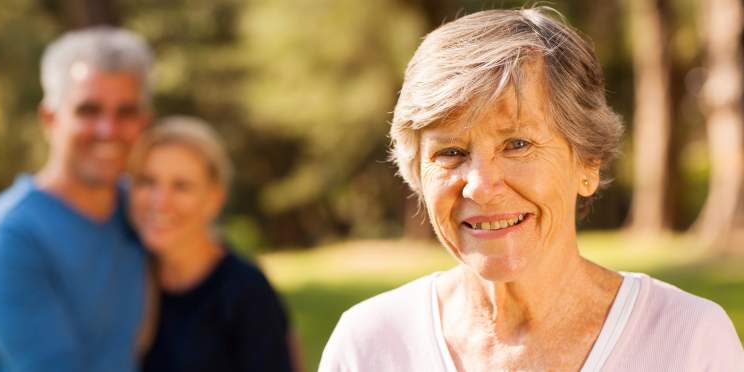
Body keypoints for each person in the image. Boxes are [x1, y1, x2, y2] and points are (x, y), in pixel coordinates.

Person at [319, 7, 744, 372]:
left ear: (588, 162)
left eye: (517, 144)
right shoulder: (368, 345)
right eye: (450, 152)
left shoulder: (687, 340)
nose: (482, 187)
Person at [0, 27, 154, 372]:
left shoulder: (145, 211)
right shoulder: (10, 236)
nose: (108, 130)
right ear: (50, 119)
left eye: (125, 112)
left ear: (143, 122)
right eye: (88, 110)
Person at [127, 116, 296, 372]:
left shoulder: (246, 294)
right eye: (147, 182)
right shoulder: (125, 277)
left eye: (181, 186)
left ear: (214, 198)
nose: (160, 201)